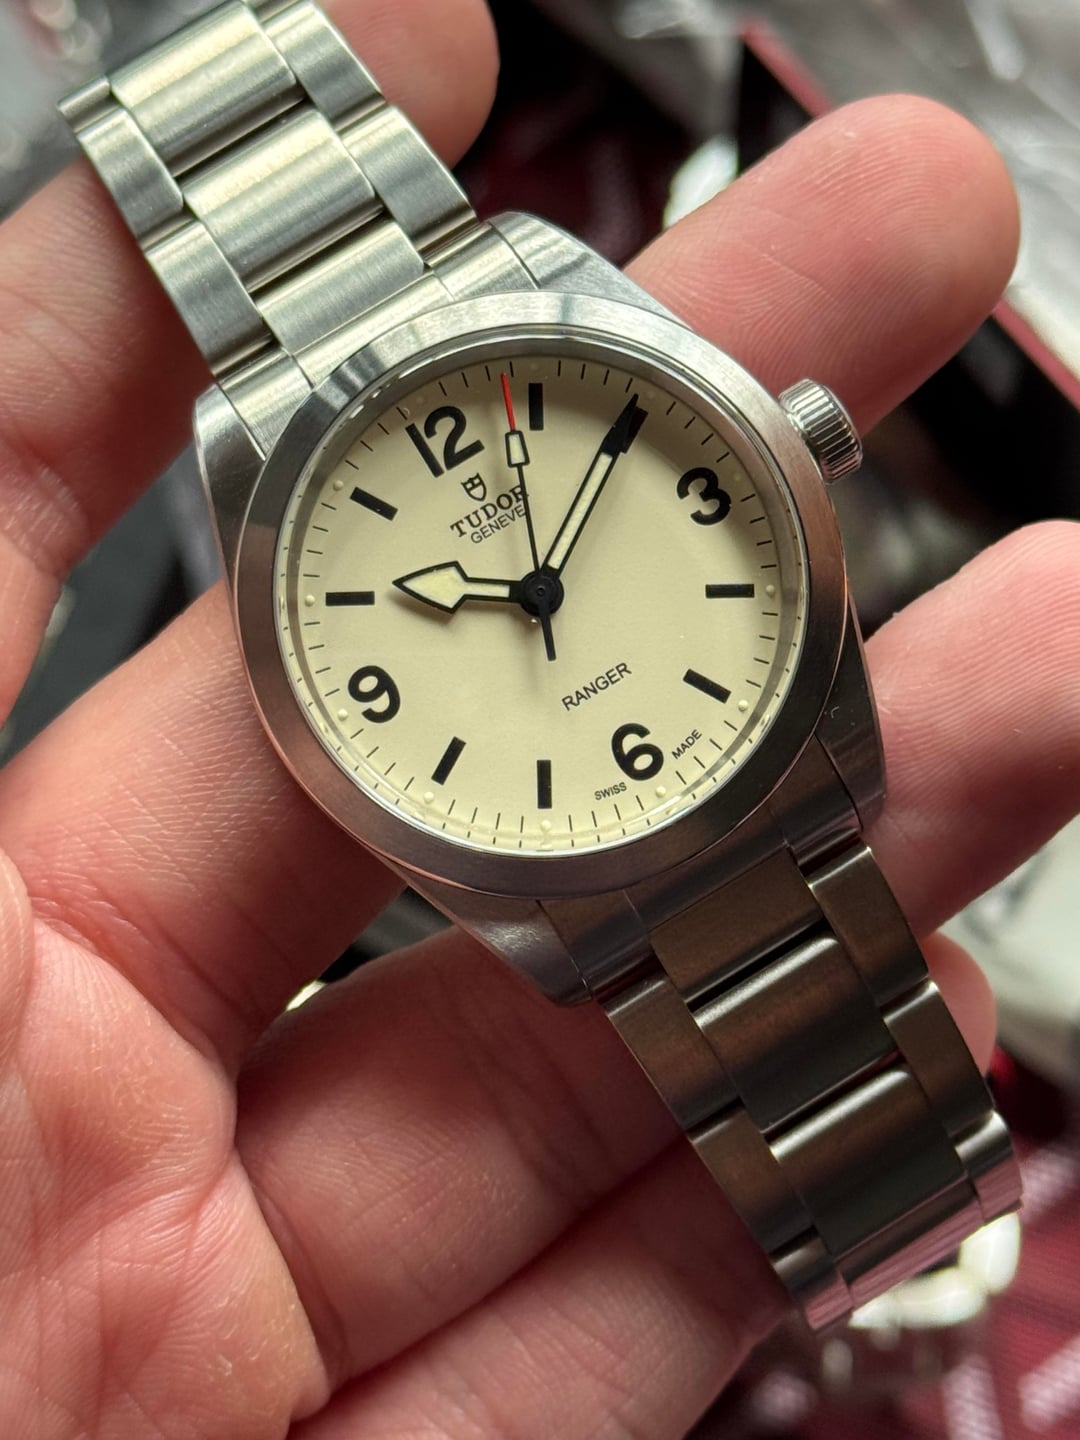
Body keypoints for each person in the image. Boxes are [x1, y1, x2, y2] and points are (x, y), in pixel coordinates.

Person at [0, 0, 1075, 1434]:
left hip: (716, 764)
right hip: (583, 839)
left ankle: (904, 1226)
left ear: (793, 442)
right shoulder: (291, 527)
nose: (535, 596)